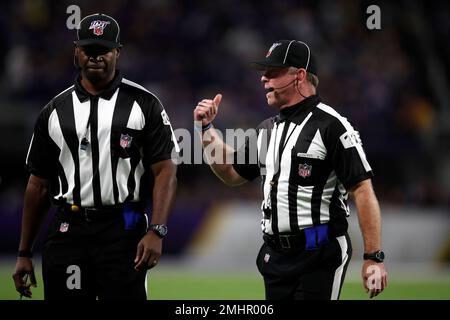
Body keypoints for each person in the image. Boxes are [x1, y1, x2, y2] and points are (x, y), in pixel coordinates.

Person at [194, 40, 387, 300]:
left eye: (273, 72)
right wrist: (206, 130)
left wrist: (373, 256)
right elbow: (230, 171)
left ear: (300, 75)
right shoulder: (266, 129)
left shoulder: (332, 125)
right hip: (275, 256)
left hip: (319, 253)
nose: (264, 78)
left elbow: (362, 189)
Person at [12, 13, 178, 300]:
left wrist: (157, 230)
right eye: (89, 50)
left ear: (117, 52)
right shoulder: (54, 111)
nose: (96, 57)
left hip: (123, 225)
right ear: (77, 51)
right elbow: (37, 184)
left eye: (104, 50)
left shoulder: (144, 104)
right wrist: (24, 252)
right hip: (69, 228)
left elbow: (166, 170)